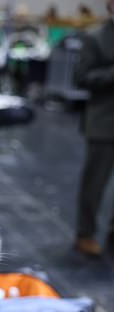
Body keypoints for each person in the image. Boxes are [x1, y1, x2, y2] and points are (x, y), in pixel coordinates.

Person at [73, 0, 114, 256]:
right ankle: (84, 234)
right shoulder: (95, 38)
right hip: (104, 123)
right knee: (94, 184)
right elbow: (82, 77)